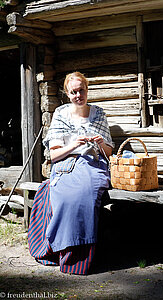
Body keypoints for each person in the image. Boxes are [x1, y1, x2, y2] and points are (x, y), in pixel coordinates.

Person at [28, 72, 113, 275]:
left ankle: (80, 256)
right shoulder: (60, 114)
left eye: (81, 90)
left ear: (87, 90)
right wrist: (74, 144)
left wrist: (101, 143)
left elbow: (109, 153)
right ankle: (61, 250)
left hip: (93, 164)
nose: (78, 95)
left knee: (85, 194)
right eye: (73, 92)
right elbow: (55, 155)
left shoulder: (98, 113)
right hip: (66, 164)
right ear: (67, 93)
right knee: (65, 196)